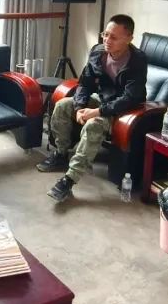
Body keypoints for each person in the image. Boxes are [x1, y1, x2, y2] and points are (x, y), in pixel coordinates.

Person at [37, 14, 147, 202]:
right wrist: (80, 107)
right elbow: (85, 82)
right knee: (63, 105)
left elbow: (130, 98)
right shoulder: (98, 51)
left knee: (94, 124)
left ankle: (69, 179)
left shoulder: (137, 60)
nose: (107, 40)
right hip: (101, 100)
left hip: (124, 111)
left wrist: (97, 112)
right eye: (106, 34)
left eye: (114, 37)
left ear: (129, 39)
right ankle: (61, 154)